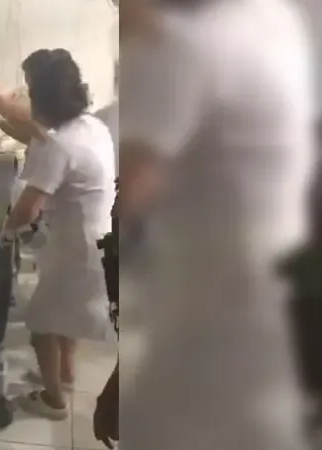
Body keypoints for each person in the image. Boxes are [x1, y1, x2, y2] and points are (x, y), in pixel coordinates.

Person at [118, 0, 314, 449]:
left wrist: (131, 38)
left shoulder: (184, 49)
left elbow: (123, 197)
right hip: (269, 306)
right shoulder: (273, 17)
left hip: (207, 321)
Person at [0, 50, 116, 420]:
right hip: (97, 241)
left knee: (41, 322)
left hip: (77, 250)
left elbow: (27, 209)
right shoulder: (91, 127)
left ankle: (54, 400)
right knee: (66, 315)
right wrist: (1, 113)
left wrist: (2, 234)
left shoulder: (61, 145)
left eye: (30, 91)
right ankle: (64, 373)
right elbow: (35, 134)